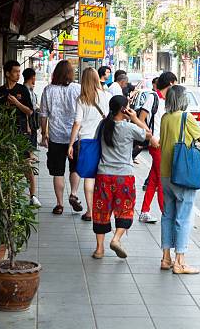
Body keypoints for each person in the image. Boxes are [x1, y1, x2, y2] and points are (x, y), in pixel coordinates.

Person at [92, 95, 151, 259]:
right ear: (123, 109)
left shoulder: (103, 125)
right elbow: (148, 134)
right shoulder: (129, 128)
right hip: (124, 176)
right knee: (125, 209)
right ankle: (116, 239)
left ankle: (99, 249)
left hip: (103, 175)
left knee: (101, 211)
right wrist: (135, 118)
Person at [159, 85, 200, 274]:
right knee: (183, 217)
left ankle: (166, 258)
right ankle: (180, 262)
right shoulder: (186, 117)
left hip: (165, 173)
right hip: (181, 174)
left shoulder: (165, 118)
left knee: (167, 215)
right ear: (183, 100)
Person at [0, 61, 37, 206]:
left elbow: (29, 111)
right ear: (7, 73)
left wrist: (16, 103)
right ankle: (6, 194)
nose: (18, 74)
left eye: (19, 71)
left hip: (20, 133)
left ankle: (32, 196)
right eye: (15, 71)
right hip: (4, 134)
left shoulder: (22, 90)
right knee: (4, 164)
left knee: (25, 165)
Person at [40, 60, 83, 215]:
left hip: (56, 136)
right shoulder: (78, 88)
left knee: (58, 171)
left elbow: (43, 114)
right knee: (75, 167)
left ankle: (59, 204)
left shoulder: (48, 90)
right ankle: (74, 194)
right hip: (75, 137)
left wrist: (44, 134)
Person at [67, 68, 111, 221]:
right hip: (101, 141)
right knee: (95, 176)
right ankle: (95, 209)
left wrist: (71, 144)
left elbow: (77, 123)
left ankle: (90, 211)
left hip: (85, 141)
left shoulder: (82, 99)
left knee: (88, 176)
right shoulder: (106, 96)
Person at [138, 71, 176, 223]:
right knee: (163, 180)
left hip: (165, 144)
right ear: (170, 83)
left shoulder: (168, 101)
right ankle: (165, 213)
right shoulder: (153, 98)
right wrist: (150, 136)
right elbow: (140, 119)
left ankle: (144, 211)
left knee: (154, 178)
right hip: (157, 143)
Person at [22, 67, 41, 208]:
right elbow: (27, 111)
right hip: (24, 128)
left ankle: (32, 195)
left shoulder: (29, 90)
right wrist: (28, 125)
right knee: (25, 163)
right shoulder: (24, 91)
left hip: (29, 126)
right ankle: (32, 195)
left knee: (26, 162)